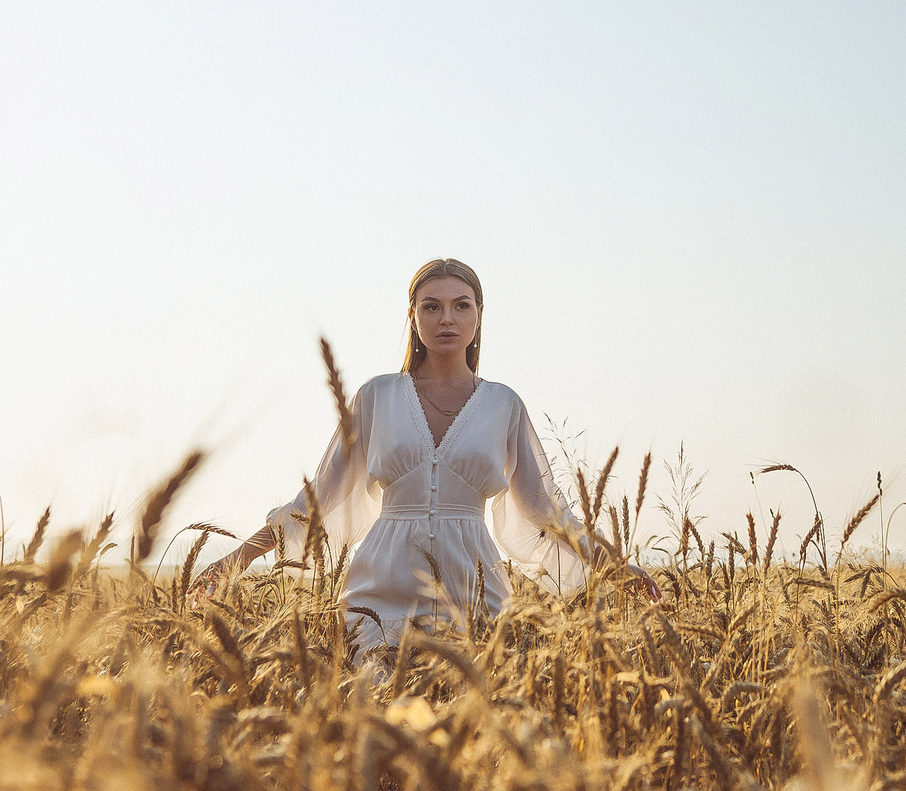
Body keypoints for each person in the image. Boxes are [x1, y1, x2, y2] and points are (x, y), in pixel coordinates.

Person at [197, 258, 658, 639]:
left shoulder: (504, 404)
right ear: (412, 318)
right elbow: (321, 496)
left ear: (479, 315)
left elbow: (544, 510)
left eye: (461, 306)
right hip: (379, 592)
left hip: (476, 592)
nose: (446, 319)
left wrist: (615, 566)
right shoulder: (376, 397)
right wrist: (239, 556)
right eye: (431, 307)